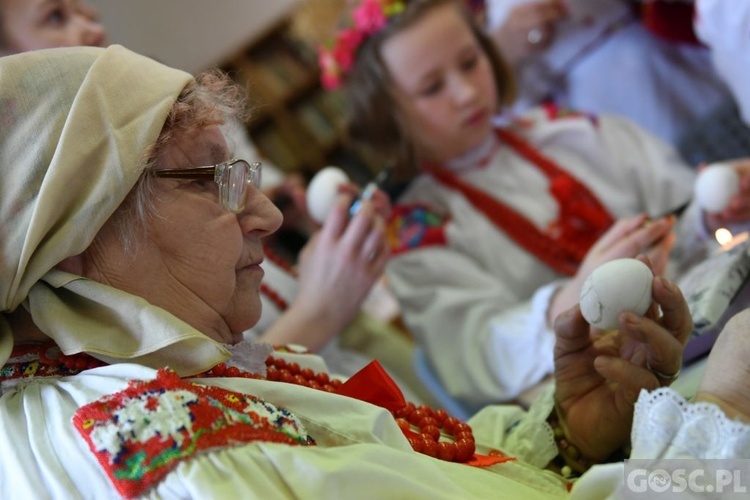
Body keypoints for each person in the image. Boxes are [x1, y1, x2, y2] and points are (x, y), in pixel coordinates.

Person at [4, 44, 749, 499]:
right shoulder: (172, 453)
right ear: (78, 227)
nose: (263, 215)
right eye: (208, 179)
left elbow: (433, 465)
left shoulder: (200, 373)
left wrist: (571, 432)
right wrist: (722, 421)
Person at [320, 0, 750, 410]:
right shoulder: (417, 236)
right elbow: (477, 357)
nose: (467, 92)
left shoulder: (568, 131)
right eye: (432, 87)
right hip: (619, 401)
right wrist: (571, 297)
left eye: (470, 62)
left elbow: (674, 207)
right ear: (386, 116)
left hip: (703, 337)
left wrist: (707, 216)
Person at [480, 0, 734, 148]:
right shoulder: (494, 19)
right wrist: (507, 49)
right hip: (608, 102)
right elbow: (517, 104)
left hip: (668, 56)